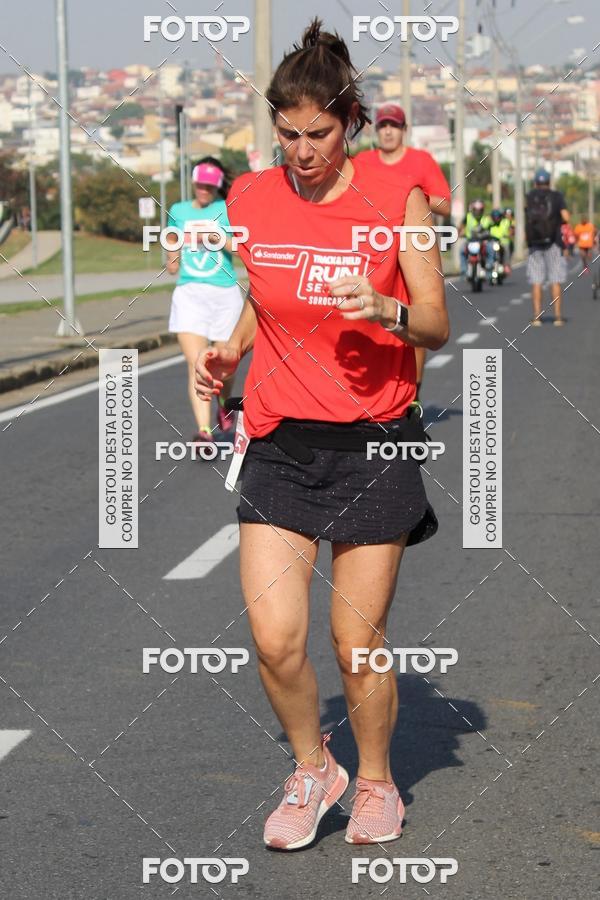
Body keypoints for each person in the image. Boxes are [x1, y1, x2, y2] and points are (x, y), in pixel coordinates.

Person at [195, 19, 448, 850]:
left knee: (355, 644)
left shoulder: (393, 200)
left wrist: (387, 310)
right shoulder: (250, 198)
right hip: (278, 442)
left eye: (320, 134)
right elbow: (261, 298)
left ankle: (375, 780)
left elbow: (437, 324)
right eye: (289, 134)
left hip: (375, 444)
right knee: (275, 640)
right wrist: (229, 354)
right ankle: (315, 768)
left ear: (351, 125)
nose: (302, 151)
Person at [355, 105, 451, 400]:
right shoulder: (362, 161)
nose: (387, 131)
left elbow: (445, 205)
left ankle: (413, 395)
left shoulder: (420, 161)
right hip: (370, 250)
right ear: (375, 129)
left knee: (410, 320)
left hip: (410, 249)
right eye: (383, 125)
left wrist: (410, 197)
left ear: (404, 130)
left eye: (394, 126)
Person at [167, 157, 244, 445]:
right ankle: (204, 431)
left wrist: (219, 238)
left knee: (225, 364)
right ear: (193, 181)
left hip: (224, 294)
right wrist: (172, 259)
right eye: (200, 184)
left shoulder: (226, 210)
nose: (204, 190)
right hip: (190, 293)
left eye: (210, 186)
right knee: (196, 363)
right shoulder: (178, 211)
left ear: (217, 186)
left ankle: (224, 405)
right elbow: (172, 242)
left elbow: (242, 247)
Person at [525, 168, 569, 326]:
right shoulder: (556, 196)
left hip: (535, 244)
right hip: (554, 243)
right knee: (555, 280)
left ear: (536, 183)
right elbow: (566, 217)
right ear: (549, 182)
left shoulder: (530, 196)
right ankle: (557, 317)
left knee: (536, 281)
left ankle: (537, 317)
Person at [459, 200, 493, 275]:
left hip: (483, 241)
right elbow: (461, 226)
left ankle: (489, 264)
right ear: (473, 209)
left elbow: (490, 228)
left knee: (490, 248)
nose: (478, 212)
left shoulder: (486, 218)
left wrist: (489, 235)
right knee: (462, 250)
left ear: (482, 210)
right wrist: (460, 233)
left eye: (479, 210)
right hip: (470, 241)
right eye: (476, 210)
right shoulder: (468, 217)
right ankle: (463, 269)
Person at [489, 208, 512, 274]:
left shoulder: (505, 222)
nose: (496, 219)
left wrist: (509, 235)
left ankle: (506, 265)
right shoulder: (490, 224)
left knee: (506, 248)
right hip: (493, 242)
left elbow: (510, 230)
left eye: (497, 217)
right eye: (494, 218)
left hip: (503, 242)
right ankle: (489, 264)